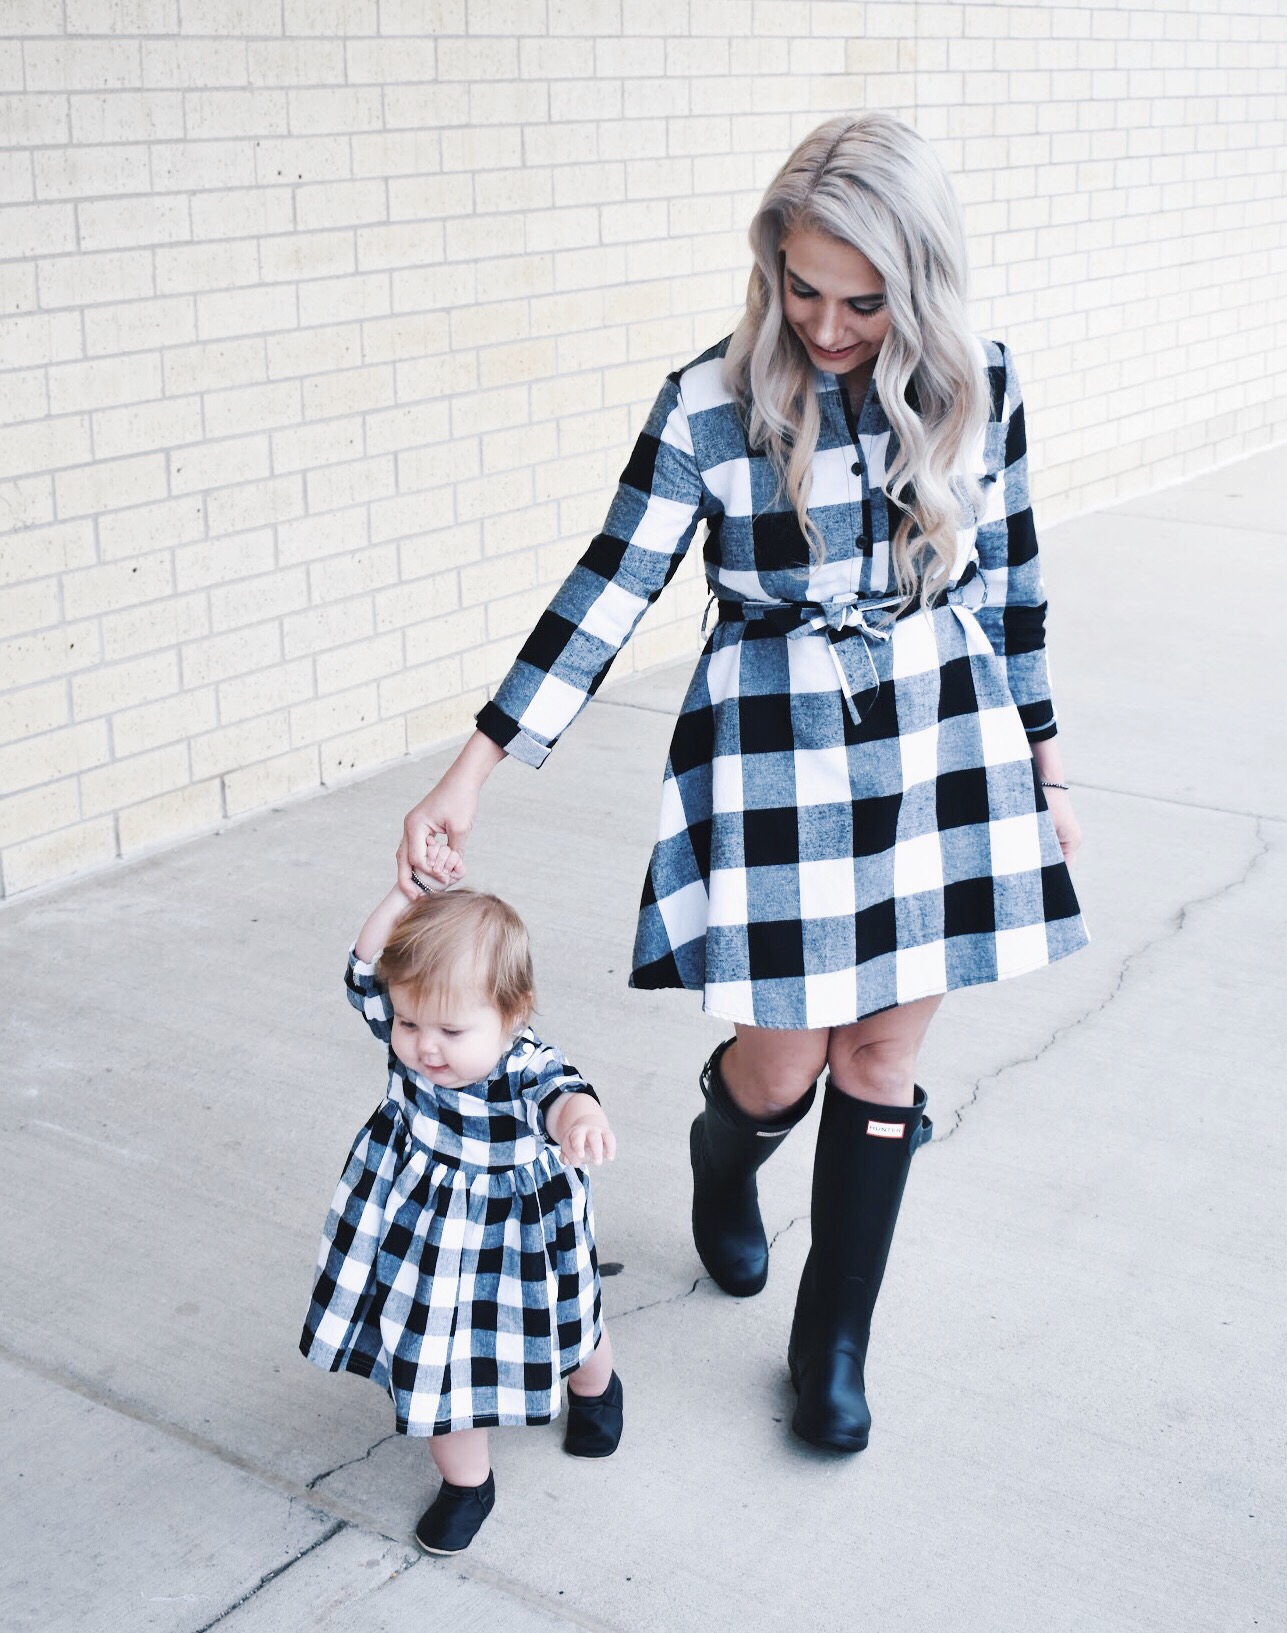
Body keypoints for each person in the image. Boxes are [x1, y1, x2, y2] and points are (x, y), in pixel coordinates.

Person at [396, 113, 1088, 1455]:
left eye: (862, 301)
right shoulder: (709, 401)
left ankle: (831, 1347)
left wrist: (1046, 766)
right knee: (784, 1065)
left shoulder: (977, 383)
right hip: (773, 747)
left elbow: (1010, 584)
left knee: (880, 1058)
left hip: (942, 731)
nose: (825, 326)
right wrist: (472, 766)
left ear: (920, 289)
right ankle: (729, 1150)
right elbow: (607, 589)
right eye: (800, 286)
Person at [300, 865, 621, 1554]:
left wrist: (579, 1119)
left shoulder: (521, 1063)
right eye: (410, 1020)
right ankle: (467, 1482)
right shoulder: (409, 1031)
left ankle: (596, 1386)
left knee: (567, 1321)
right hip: (424, 1232)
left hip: (515, 1233)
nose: (424, 1045)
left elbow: (563, 1091)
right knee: (439, 1361)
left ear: (515, 1012)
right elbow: (364, 970)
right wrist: (402, 898)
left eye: (450, 1028)